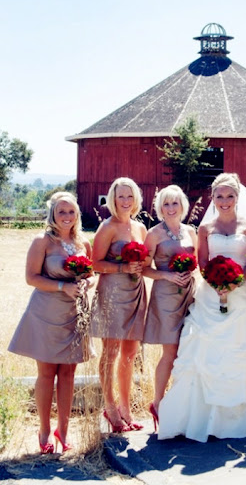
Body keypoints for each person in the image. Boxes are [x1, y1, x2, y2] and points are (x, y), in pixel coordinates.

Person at [157, 173, 246, 442]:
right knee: (205, 352)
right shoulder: (205, 228)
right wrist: (215, 282)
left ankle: (240, 418)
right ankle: (201, 418)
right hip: (210, 294)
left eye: (230, 196)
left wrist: (235, 282)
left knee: (240, 349)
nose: (225, 201)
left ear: (237, 197)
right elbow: (201, 262)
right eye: (220, 196)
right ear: (213, 198)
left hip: (242, 294)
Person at [8, 191, 95, 454]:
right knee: (47, 374)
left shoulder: (84, 244)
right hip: (46, 314)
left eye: (71, 212)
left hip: (74, 315)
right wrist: (61, 286)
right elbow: (31, 278)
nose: (66, 217)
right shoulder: (42, 242)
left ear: (77, 214)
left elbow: (91, 274)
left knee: (68, 374)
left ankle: (64, 431)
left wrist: (89, 282)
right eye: (61, 212)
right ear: (52, 214)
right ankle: (44, 431)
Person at [91, 177, 147, 433]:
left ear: (136, 199)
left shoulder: (140, 228)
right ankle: (110, 407)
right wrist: (123, 267)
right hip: (112, 292)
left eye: (129, 196)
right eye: (120, 196)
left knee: (130, 353)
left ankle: (126, 408)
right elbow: (95, 264)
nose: (125, 201)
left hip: (135, 291)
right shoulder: (108, 227)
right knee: (111, 352)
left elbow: (146, 262)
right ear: (112, 199)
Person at [142, 185, 197, 430]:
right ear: (159, 207)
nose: (171, 208)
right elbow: (144, 268)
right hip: (165, 295)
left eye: (175, 203)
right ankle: (158, 402)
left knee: (187, 349)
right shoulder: (154, 234)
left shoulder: (190, 231)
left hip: (189, 293)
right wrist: (167, 276)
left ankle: (181, 403)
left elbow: (197, 262)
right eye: (166, 204)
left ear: (182, 205)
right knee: (171, 350)